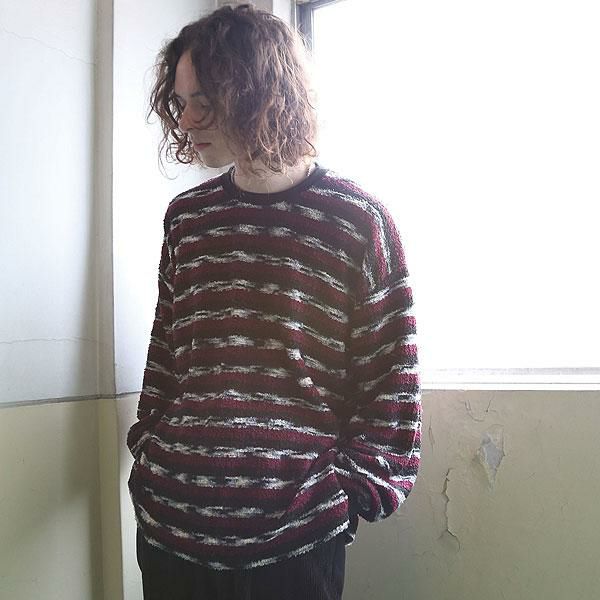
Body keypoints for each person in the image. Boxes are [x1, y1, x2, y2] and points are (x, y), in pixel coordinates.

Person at [127, 4, 421, 599]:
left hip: (296, 546)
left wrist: (345, 496)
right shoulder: (187, 221)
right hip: (170, 533)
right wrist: (151, 456)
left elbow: (391, 386)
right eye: (179, 102)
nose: (186, 120)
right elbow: (165, 362)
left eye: (203, 99)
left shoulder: (357, 222)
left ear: (256, 89)